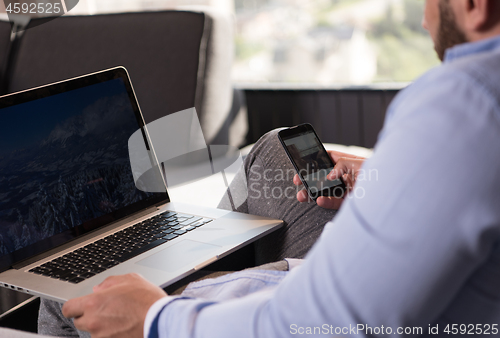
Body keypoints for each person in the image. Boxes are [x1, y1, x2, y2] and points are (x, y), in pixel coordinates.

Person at [38, 0, 500, 337]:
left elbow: (330, 321)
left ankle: (193, 278)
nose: (423, 19)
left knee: (65, 297)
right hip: (366, 287)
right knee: (277, 148)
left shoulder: (466, 99)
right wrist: (396, 182)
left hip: (306, 308)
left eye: (432, 3)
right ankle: (200, 260)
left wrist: (158, 318)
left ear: (475, 5)